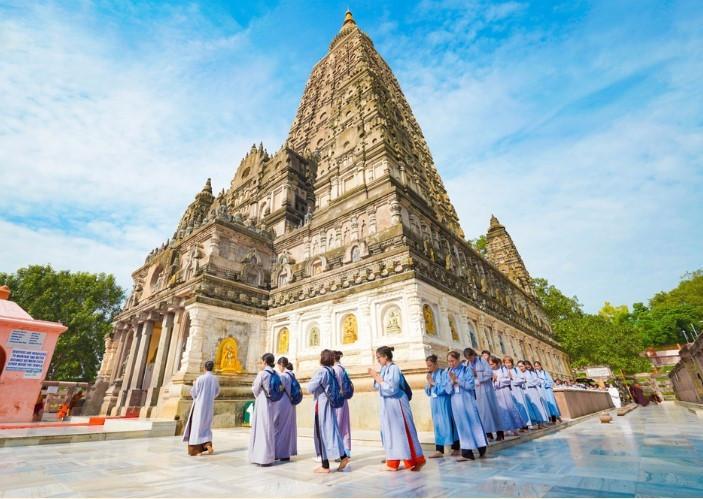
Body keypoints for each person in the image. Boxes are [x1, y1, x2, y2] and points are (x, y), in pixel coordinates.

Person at [368, 346, 426, 471]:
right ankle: (393, 461)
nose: (377, 360)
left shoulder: (394, 368)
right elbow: (378, 386)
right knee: (390, 432)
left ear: (386, 357)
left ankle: (411, 459)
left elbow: (392, 388)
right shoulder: (384, 369)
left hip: (397, 404)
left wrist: (377, 378)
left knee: (402, 431)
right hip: (388, 405)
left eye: (379, 357)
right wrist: (377, 378)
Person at [308, 349, 350, 473]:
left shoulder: (321, 371)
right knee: (333, 431)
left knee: (322, 434)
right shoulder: (332, 371)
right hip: (330, 404)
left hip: (322, 406)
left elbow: (310, 388)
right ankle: (342, 456)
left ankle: (325, 465)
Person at [446, 351, 488, 460]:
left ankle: (481, 447)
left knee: (473, 422)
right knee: (462, 426)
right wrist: (451, 382)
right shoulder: (449, 372)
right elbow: (447, 390)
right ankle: (467, 452)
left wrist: (457, 380)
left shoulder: (466, 369)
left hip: (467, 401)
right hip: (455, 401)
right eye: (449, 361)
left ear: (458, 359)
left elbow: (470, 385)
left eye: (453, 361)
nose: (451, 363)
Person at [463, 348, 503, 440]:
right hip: (476, 390)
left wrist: (477, 374)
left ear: (474, 354)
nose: (470, 360)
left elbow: (489, 373)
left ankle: (499, 433)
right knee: (482, 413)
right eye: (468, 358)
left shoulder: (482, 361)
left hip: (486, 389)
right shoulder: (467, 364)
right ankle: (488, 434)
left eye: (471, 357)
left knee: (492, 410)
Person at [424, 354, 459, 458]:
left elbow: (447, 388)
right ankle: (439, 450)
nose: (429, 368)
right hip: (435, 403)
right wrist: (429, 385)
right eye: (427, 366)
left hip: (444, 401)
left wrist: (434, 383)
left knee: (448, 422)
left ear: (436, 364)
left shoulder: (444, 373)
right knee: (438, 425)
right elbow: (427, 391)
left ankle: (456, 447)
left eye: (430, 365)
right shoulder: (430, 375)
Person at [183, 360, 220, 456]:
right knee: (206, 426)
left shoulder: (200, 378)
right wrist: (210, 397)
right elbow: (217, 392)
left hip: (199, 406)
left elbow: (194, 392)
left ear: (204, 367)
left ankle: (196, 450)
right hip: (209, 405)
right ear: (213, 368)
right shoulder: (215, 379)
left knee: (197, 427)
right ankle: (207, 445)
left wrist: (195, 390)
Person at [249, 353, 279, 465]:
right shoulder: (275, 373)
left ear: (265, 362)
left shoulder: (262, 374)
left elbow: (256, 389)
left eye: (261, 362)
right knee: (269, 428)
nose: (261, 364)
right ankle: (269, 456)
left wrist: (254, 390)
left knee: (261, 428)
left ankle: (261, 457)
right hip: (272, 402)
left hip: (262, 401)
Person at [489, 356, 525, 436]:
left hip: (505, 391)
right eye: (490, 364)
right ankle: (505, 429)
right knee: (502, 411)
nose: (491, 366)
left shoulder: (503, 369)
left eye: (492, 364)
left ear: (496, 363)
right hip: (497, 392)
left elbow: (508, 380)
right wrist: (493, 381)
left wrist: (497, 380)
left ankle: (514, 428)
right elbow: (490, 383)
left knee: (510, 408)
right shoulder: (490, 372)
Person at [273, 356, 297, 462]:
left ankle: (277, 453)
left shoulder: (282, 376)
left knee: (277, 428)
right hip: (290, 403)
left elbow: (277, 390)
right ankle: (285, 453)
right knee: (286, 428)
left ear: (280, 365)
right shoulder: (291, 375)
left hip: (281, 403)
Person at [333, 350, 352, 457]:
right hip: (344, 400)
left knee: (338, 425)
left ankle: (340, 453)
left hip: (338, 401)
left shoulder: (335, 370)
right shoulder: (342, 368)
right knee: (345, 425)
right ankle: (346, 450)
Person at [519, 361, 548, 428]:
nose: (520, 368)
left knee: (537, 407)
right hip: (525, 392)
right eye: (519, 367)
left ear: (525, 366)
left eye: (522, 366)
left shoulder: (531, 373)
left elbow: (537, 381)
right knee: (529, 409)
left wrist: (527, 382)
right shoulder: (519, 375)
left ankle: (541, 422)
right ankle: (534, 423)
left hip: (533, 391)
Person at [503, 356, 530, 431]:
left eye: (509, 362)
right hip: (509, 392)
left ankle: (525, 424)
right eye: (506, 363)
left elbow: (522, 380)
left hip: (518, 391)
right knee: (514, 408)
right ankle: (518, 425)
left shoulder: (516, 370)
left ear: (512, 363)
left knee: (521, 407)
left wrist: (513, 379)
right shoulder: (504, 371)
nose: (507, 364)